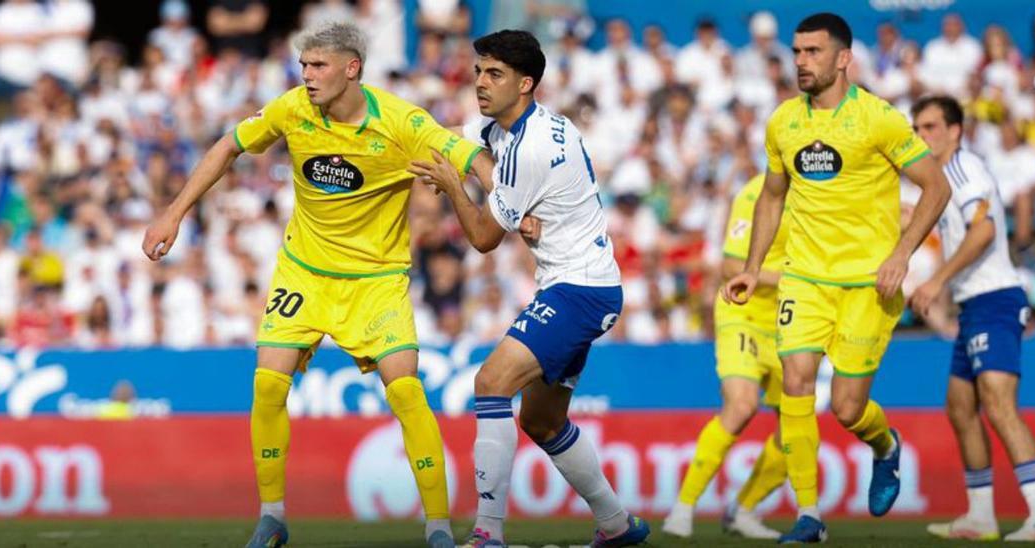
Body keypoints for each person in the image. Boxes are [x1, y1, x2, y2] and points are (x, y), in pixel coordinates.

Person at [142, 21, 488, 548]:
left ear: (352, 69)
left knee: (406, 392)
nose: (306, 76)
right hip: (304, 272)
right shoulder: (293, 109)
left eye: (318, 66)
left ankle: (438, 529)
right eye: (303, 65)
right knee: (267, 385)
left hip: (375, 280)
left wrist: (512, 196)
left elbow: (468, 156)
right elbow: (227, 146)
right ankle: (272, 518)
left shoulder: (400, 122)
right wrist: (173, 213)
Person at [407, 29, 649, 548]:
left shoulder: (529, 148)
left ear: (525, 83)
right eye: (477, 71)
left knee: (491, 382)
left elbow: (482, 240)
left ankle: (487, 534)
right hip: (584, 285)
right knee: (541, 420)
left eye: (493, 74)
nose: (479, 83)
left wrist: (453, 185)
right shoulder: (526, 127)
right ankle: (617, 525)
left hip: (578, 290)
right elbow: (456, 138)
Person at [722, 13, 950, 543]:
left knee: (847, 409)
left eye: (813, 52)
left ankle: (885, 446)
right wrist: (755, 268)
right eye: (797, 52)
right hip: (804, 278)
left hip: (870, 284)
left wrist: (901, 253)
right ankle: (810, 515)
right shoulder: (783, 121)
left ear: (843, 58)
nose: (801, 61)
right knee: (797, 380)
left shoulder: (880, 119)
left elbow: (935, 186)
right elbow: (773, 195)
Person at [909, 95, 1035, 541]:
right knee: (960, 409)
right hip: (973, 303)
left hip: (994, 298)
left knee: (998, 405)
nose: (922, 136)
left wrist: (936, 280)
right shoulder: (940, 178)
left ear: (955, 131)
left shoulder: (963, 170)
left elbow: (986, 229)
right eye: (917, 128)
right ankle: (981, 516)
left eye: (930, 127)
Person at [661, 174, 789, 540]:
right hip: (743, 313)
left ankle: (744, 510)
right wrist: (790, 277)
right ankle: (684, 507)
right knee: (742, 405)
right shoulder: (755, 193)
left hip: (792, 322)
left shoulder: (820, 190)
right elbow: (732, 266)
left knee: (795, 425)